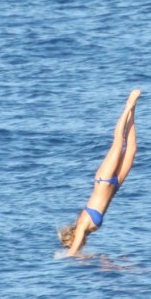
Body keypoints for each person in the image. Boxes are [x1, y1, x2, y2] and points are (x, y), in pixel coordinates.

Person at [58, 89, 141, 257]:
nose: (75, 246)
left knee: (118, 144)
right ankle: (132, 111)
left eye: (71, 244)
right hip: (114, 185)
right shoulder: (89, 230)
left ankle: (128, 106)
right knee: (131, 149)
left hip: (103, 181)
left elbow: (72, 253)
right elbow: (78, 252)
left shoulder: (82, 224)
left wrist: (64, 260)